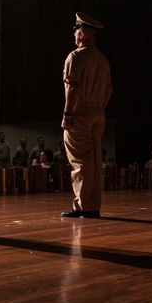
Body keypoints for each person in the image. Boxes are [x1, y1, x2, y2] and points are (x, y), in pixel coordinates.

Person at [60, 12, 112, 219]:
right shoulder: (102, 59)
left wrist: (68, 113)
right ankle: (93, 205)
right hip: (98, 112)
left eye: (76, 31)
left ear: (82, 34)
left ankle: (83, 206)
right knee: (94, 161)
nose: (74, 34)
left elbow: (73, 88)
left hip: (79, 112)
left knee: (80, 161)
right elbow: (109, 90)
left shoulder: (76, 56)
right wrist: (98, 107)